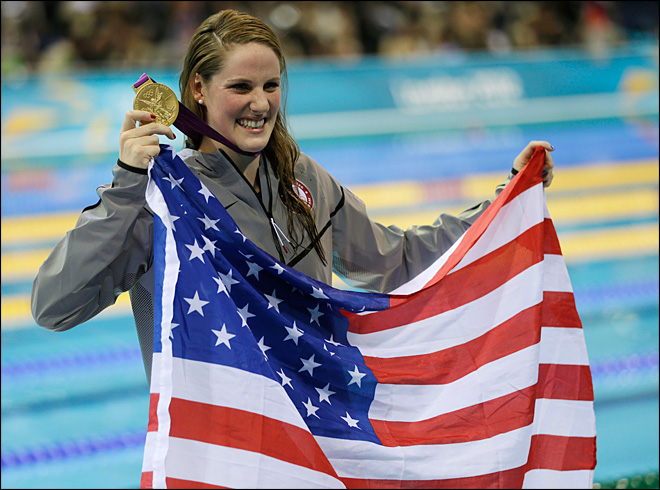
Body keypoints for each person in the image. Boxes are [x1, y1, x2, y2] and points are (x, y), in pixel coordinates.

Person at [31, 9, 555, 382]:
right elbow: (54, 307)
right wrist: (127, 185)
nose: (259, 104)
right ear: (198, 89)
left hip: (310, 443)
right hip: (219, 450)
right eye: (240, 87)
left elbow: (394, 261)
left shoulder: (300, 178)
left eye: (271, 86)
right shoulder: (163, 201)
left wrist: (503, 201)